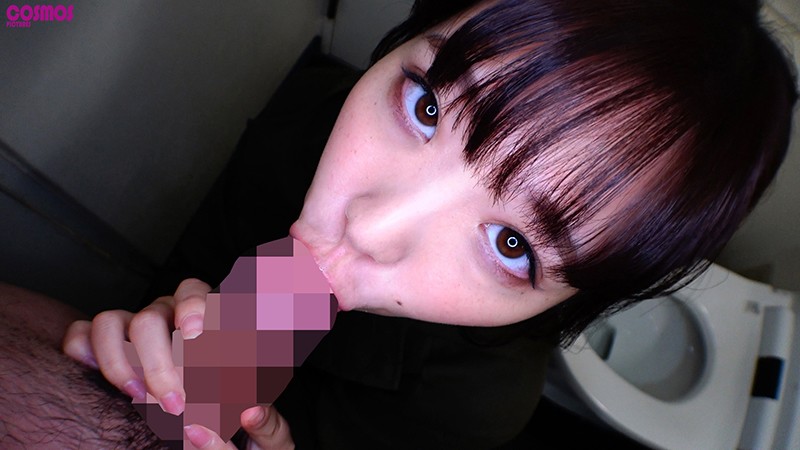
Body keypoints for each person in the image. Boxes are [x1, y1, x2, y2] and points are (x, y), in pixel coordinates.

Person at [62, 0, 797, 448]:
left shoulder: (472, 406)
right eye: (427, 106)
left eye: (512, 244)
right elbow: (201, 269)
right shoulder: (311, 122)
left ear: (572, 301)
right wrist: (166, 330)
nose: (372, 225)